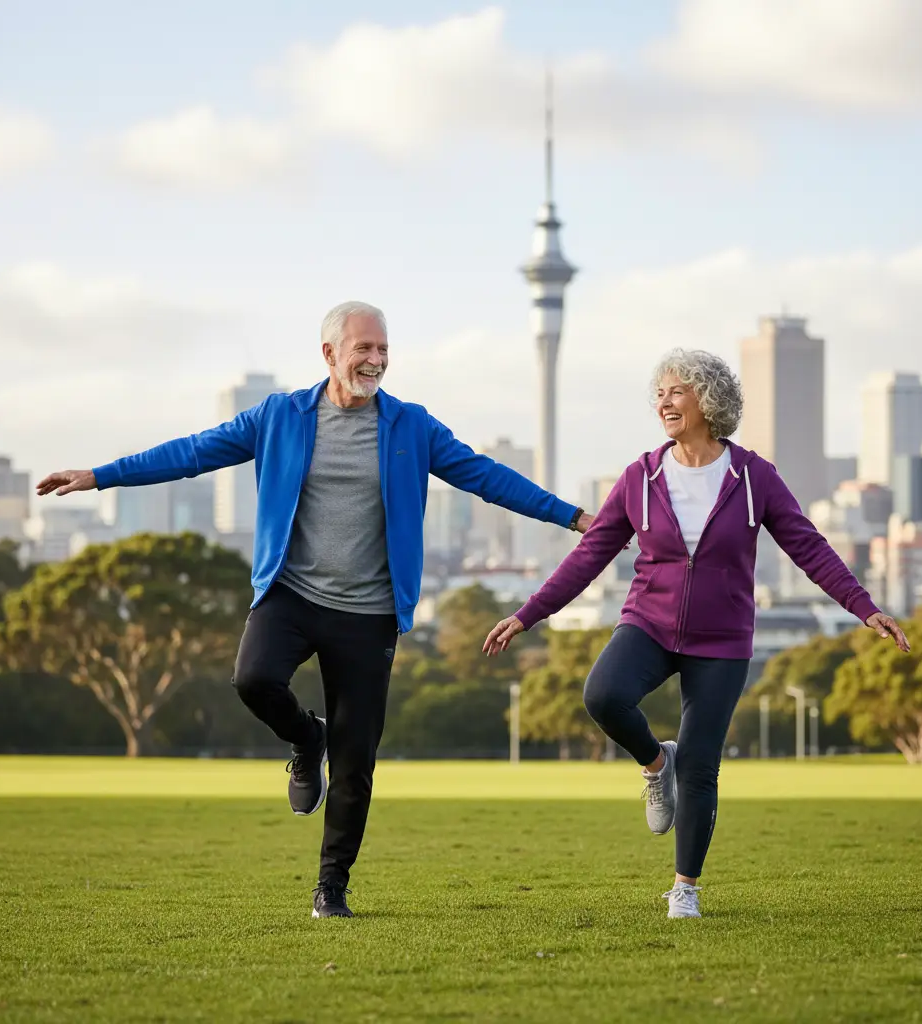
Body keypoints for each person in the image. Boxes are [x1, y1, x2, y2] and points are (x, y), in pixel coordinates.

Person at [37, 300, 594, 920]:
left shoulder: (412, 427)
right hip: (292, 595)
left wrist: (570, 515)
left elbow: (487, 477)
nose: (377, 361)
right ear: (329, 353)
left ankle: (331, 887)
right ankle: (307, 738)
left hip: (369, 613)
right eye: (364, 349)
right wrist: (101, 475)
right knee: (253, 679)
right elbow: (193, 452)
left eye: (383, 350)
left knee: (357, 762)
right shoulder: (280, 416)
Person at [483, 348, 909, 920]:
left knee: (702, 763)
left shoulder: (754, 477)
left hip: (723, 639)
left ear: (708, 401)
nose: (664, 402)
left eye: (676, 391)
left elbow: (809, 547)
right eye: (659, 393)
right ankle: (656, 764)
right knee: (603, 695)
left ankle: (684, 888)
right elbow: (590, 555)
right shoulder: (642, 475)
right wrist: (528, 613)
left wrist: (864, 607)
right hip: (649, 623)